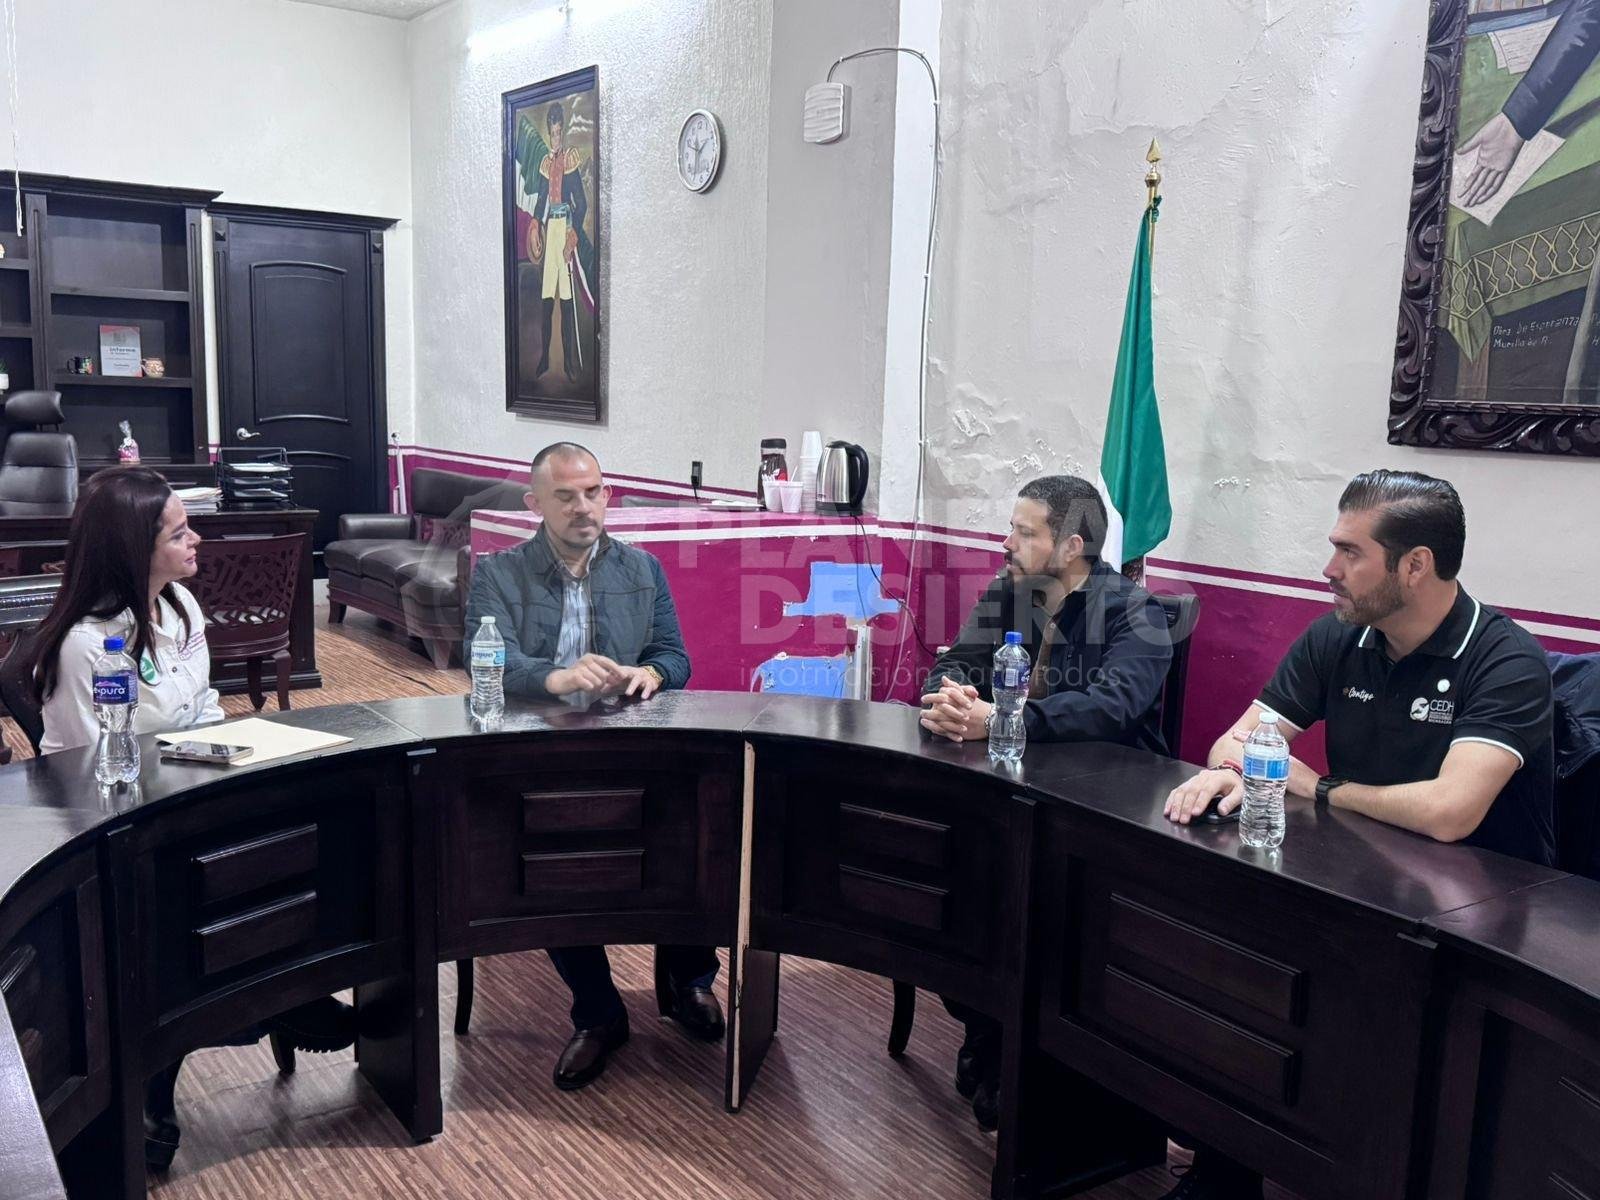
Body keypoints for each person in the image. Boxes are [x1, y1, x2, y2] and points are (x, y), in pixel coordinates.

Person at [1161, 469, 1555, 1199]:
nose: (1329, 569)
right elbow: (1235, 741)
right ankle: (1225, 1166)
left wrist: (1318, 786)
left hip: (1478, 927)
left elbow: (1451, 813)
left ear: (1415, 565)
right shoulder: (1341, 634)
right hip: (1357, 883)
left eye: (1350, 552)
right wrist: (1232, 772)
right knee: (1230, 963)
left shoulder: (1506, 660)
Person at [27, 467, 356, 1169]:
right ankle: (225, 1033)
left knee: (299, 837)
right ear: (133, 548)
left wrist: (226, 758)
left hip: (183, 792)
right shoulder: (88, 644)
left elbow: (203, 707)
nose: (197, 539)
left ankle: (283, 988)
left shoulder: (177, 606)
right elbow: (89, 765)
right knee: (194, 897)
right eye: (179, 533)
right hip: (102, 824)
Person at [919, 474, 1174, 1131]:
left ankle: (1031, 1054)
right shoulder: (1010, 592)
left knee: (1040, 917)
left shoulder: (1135, 611)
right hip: (1008, 790)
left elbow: (1114, 707)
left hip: (1103, 808)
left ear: (1070, 547)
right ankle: (987, 1027)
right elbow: (954, 662)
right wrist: (951, 697)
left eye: (1023, 532)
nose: (1005, 542)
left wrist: (1003, 720)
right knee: (950, 890)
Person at [464, 442, 721, 1090]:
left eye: (594, 492)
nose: (584, 508)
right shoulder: (499, 573)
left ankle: (689, 979)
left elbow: (675, 656)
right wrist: (556, 678)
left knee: (698, 835)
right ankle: (600, 1013)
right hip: (546, 750)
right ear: (535, 504)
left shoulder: (642, 569)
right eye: (566, 496)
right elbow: (486, 661)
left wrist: (651, 673)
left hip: (630, 743)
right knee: (559, 868)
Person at [514, 99, 596, 383]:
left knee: (567, 296)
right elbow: (540, 203)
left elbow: (581, 204)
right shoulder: (546, 164)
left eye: (560, 132)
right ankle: (545, 360)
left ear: (563, 132)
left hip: (565, 228)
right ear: (549, 133)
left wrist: (572, 235)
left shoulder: (570, 160)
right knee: (547, 295)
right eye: (553, 133)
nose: (556, 137)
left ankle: (571, 364)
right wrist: (536, 223)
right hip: (550, 231)